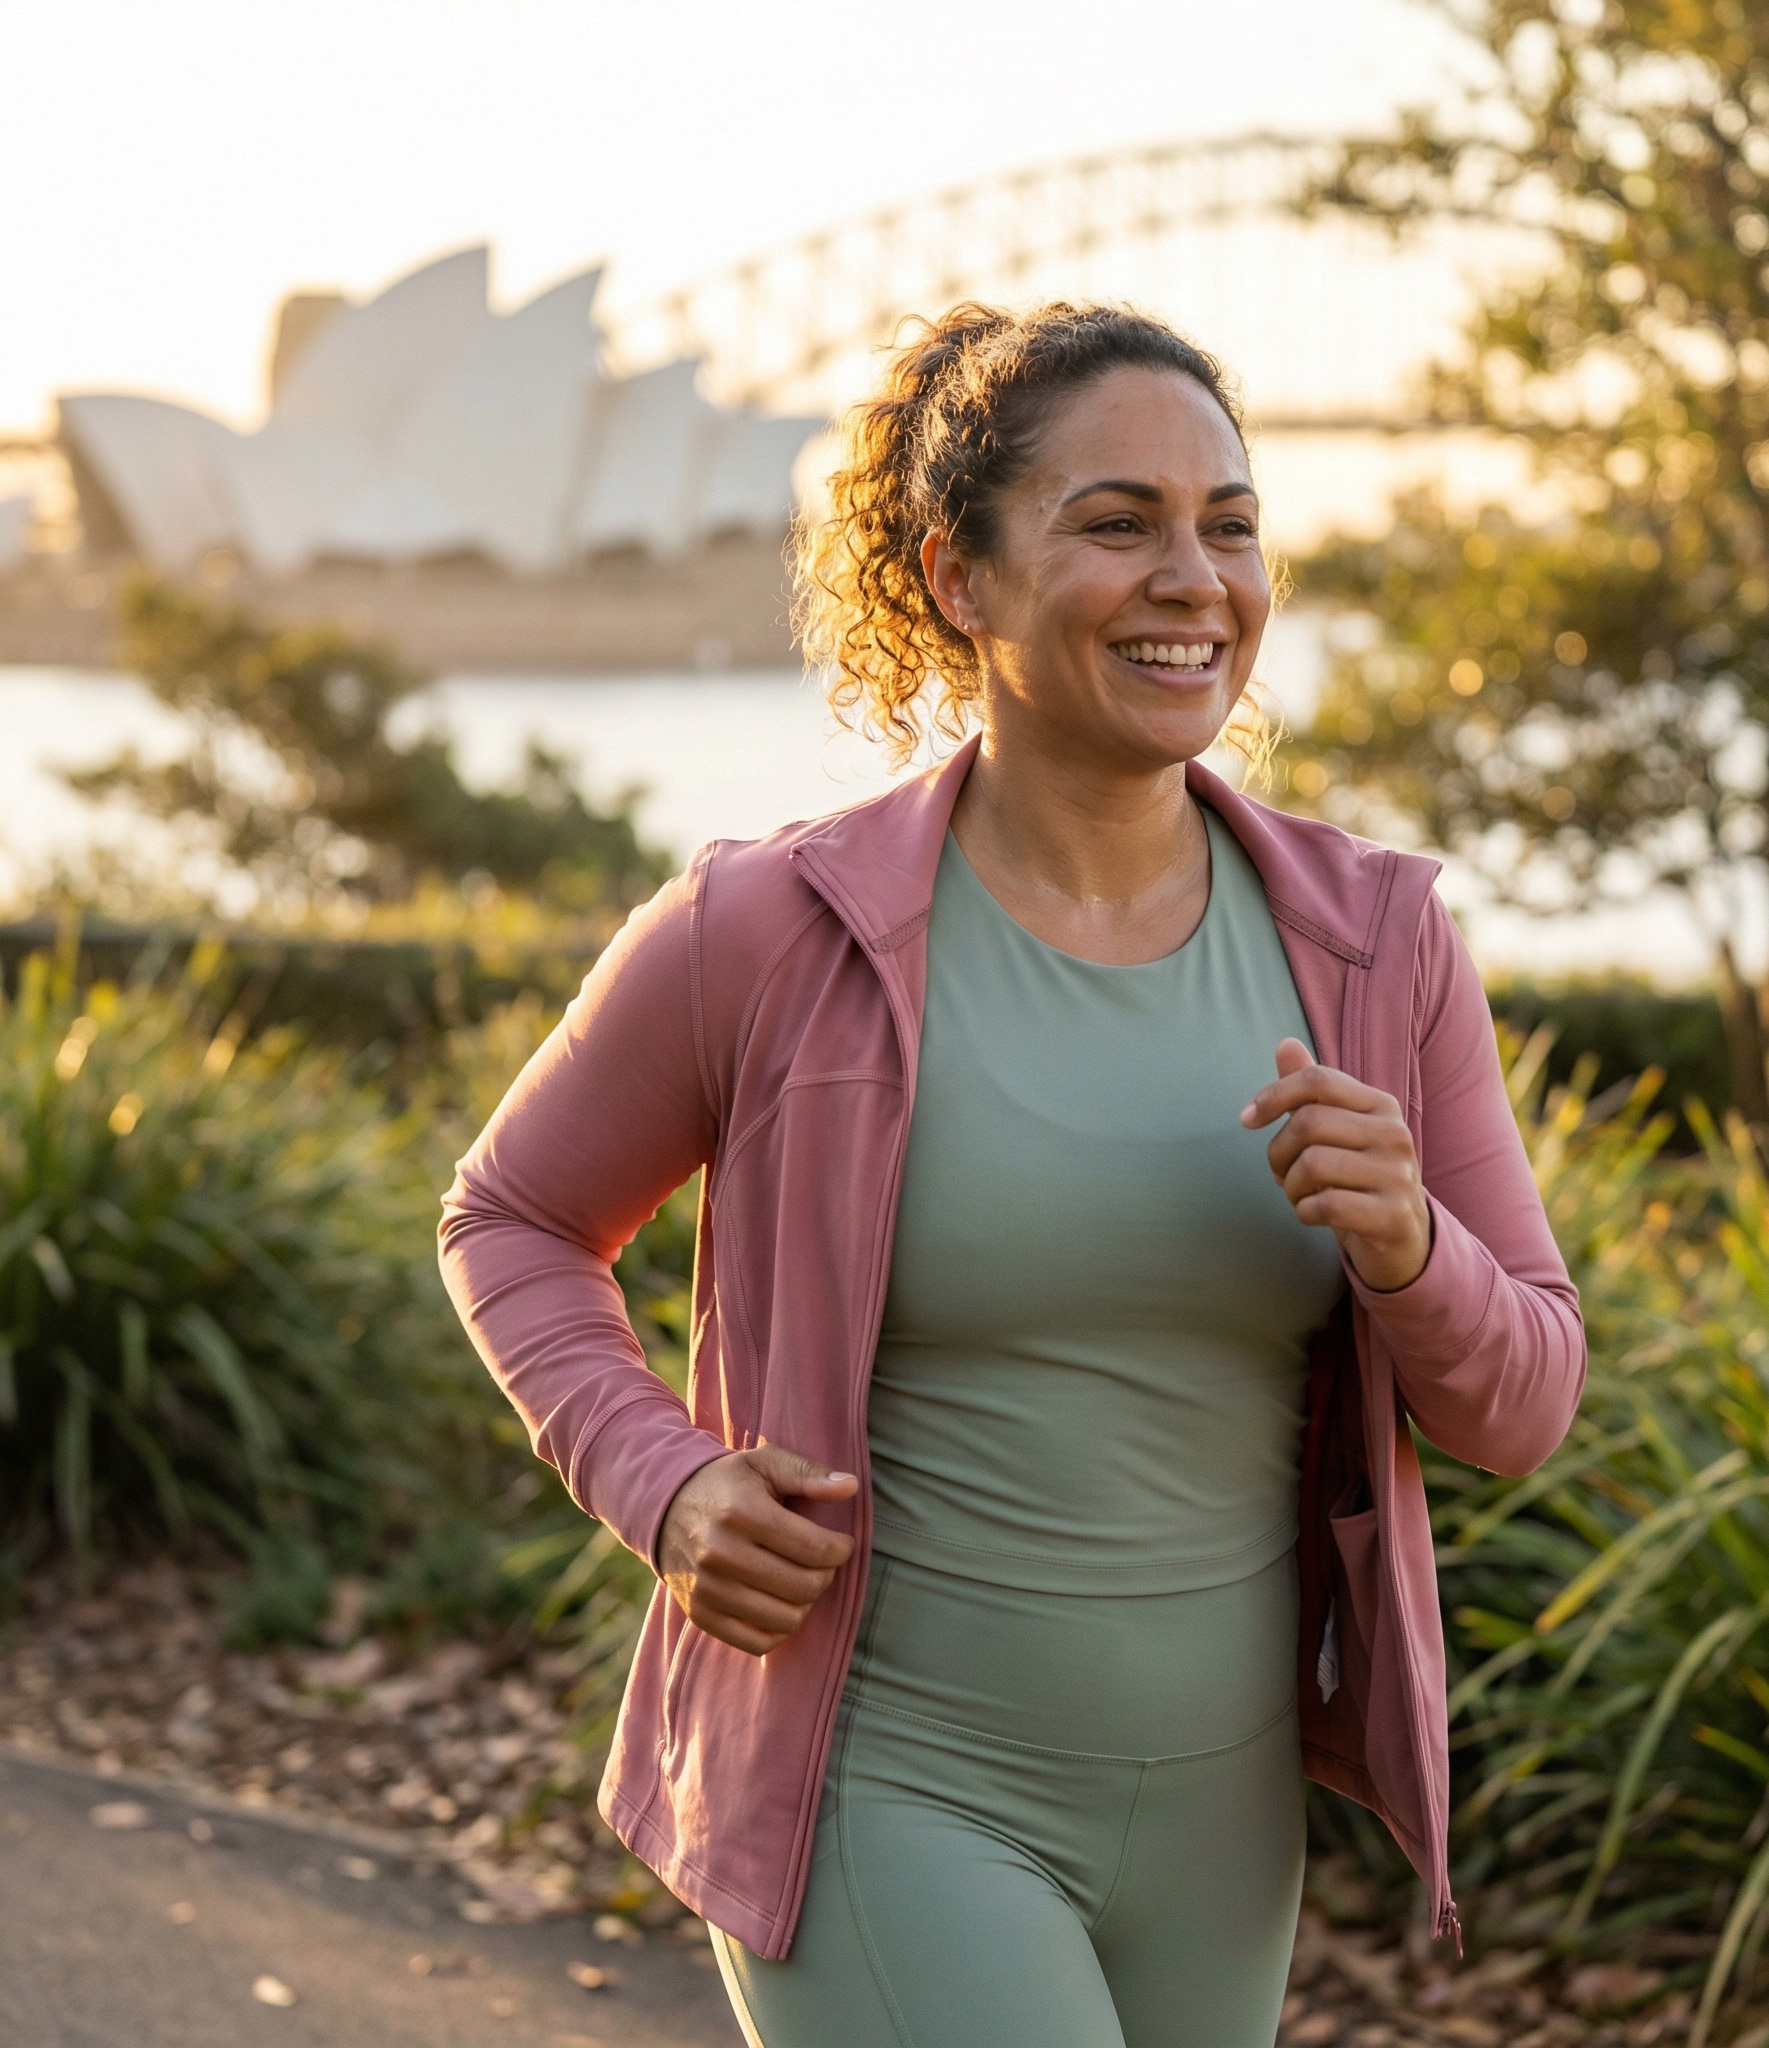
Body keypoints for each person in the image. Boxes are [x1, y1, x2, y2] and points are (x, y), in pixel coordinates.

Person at [439, 302, 1586, 2048]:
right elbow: (512, 1218)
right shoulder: (771, 926)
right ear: (954, 579)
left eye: (1232, 523)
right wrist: (661, 1485)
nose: (1194, 577)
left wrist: (1414, 1245)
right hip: (884, 1789)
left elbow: (1527, 1402)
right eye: (1116, 523)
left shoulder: (1379, 944)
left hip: (1225, 1825)